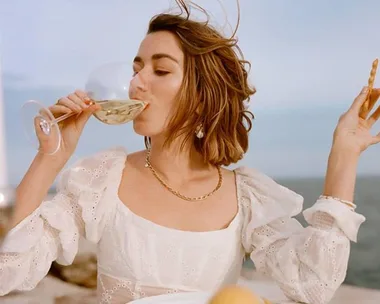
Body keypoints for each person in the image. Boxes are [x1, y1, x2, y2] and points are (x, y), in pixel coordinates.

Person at [1, 1, 379, 303]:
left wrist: (343, 154)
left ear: (201, 95)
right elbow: (11, 271)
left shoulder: (247, 196)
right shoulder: (103, 178)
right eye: (136, 69)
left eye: (160, 71)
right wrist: (51, 156)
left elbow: (313, 286)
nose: (135, 84)